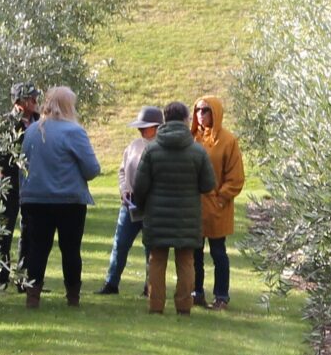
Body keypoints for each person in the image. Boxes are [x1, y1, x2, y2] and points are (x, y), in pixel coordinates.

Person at [18, 86, 100, 308]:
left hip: (35, 199)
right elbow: (92, 169)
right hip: (69, 200)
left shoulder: (32, 131)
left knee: (37, 250)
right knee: (71, 249)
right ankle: (73, 296)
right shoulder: (74, 132)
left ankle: (32, 296)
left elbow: (22, 166)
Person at [132, 100, 215, 317]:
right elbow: (208, 185)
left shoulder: (151, 150)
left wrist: (140, 206)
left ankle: (156, 305)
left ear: (164, 120)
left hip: (157, 216)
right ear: (186, 119)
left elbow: (140, 186)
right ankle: (184, 306)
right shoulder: (198, 151)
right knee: (186, 261)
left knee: (157, 260)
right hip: (187, 217)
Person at [190, 94, 246, 310]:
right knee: (194, 253)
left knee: (218, 253)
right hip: (194, 206)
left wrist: (221, 198)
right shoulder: (191, 138)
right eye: (197, 110)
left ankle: (221, 295)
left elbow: (236, 177)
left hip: (217, 207)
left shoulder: (228, 141)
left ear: (216, 113)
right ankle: (196, 292)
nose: (200, 115)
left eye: (205, 110)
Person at [98, 105, 161, 295]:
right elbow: (122, 171)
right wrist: (124, 190)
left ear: (157, 126)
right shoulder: (133, 146)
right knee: (120, 243)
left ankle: (149, 287)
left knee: (151, 249)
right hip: (130, 205)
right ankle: (111, 283)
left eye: (146, 126)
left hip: (151, 206)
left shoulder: (162, 147)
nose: (141, 129)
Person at [0, 85, 42, 287]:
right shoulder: (5, 123)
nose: (36, 102)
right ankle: (1, 277)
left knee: (30, 232)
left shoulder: (40, 123)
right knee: (4, 231)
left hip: (32, 183)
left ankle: (23, 279)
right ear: (20, 101)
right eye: (32, 99)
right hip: (9, 182)